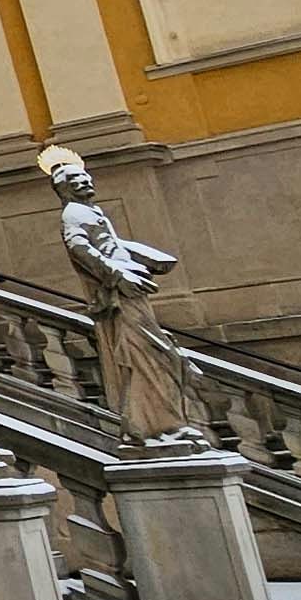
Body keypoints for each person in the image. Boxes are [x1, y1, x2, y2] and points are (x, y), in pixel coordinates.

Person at [45, 148, 206, 445]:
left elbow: (110, 244)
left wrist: (146, 257)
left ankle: (162, 423)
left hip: (129, 289)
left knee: (154, 355)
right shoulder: (74, 213)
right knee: (146, 355)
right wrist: (118, 275)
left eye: (84, 178)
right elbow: (79, 248)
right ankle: (154, 426)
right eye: (75, 181)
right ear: (63, 189)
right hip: (118, 295)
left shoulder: (90, 210)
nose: (83, 183)